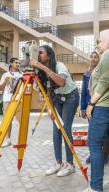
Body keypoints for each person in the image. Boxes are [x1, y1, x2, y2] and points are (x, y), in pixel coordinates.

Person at [77, 29, 109, 192]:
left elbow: (104, 81)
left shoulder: (108, 56)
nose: (97, 44)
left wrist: (91, 104)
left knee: (95, 144)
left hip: (105, 106)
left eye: (99, 41)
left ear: (108, 40)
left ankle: (96, 189)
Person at [30, 45, 79, 177]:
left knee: (65, 128)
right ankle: (58, 163)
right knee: (56, 129)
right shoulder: (40, 71)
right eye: (37, 53)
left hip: (71, 96)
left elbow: (61, 82)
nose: (38, 55)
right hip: (57, 98)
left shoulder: (59, 65)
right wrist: (49, 108)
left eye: (41, 53)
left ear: (49, 56)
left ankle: (70, 165)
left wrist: (43, 67)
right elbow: (48, 90)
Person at [80, 51, 109, 165]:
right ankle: (94, 154)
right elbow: (83, 92)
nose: (93, 59)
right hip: (89, 107)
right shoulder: (86, 74)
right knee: (92, 132)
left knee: (104, 132)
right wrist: (83, 107)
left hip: (102, 105)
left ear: (99, 59)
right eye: (91, 57)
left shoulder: (103, 72)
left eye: (96, 57)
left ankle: (105, 154)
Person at [0, 57, 22, 147]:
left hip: (19, 100)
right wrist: (5, 82)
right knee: (7, 121)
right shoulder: (5, 74)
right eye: (16, 62)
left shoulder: (22, 74)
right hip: (8, 100)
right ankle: (7, 140)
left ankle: (20, 140)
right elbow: (0, 88)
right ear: (11, 64)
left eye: (19, 63)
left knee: (20, 121)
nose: (18, 64)